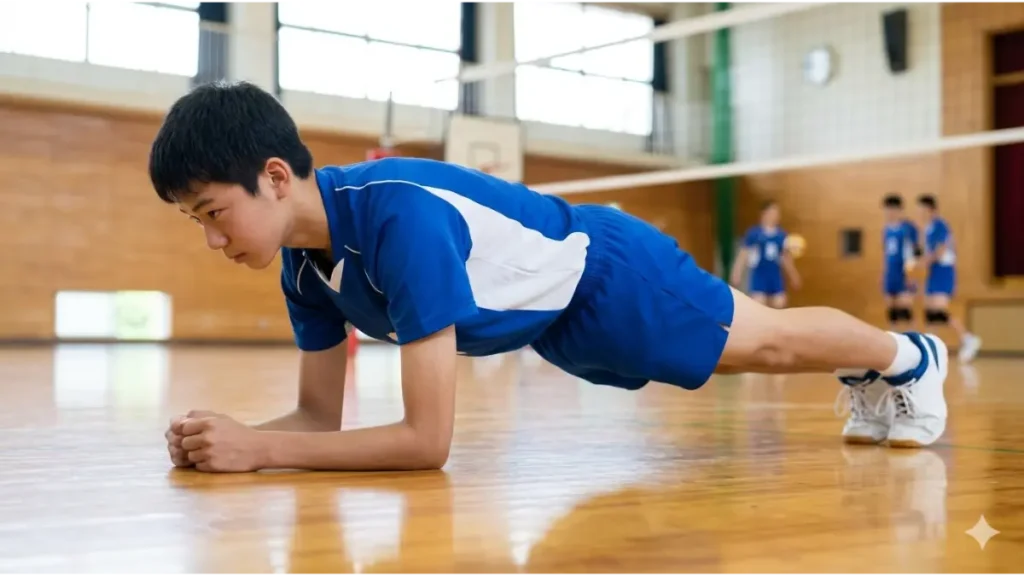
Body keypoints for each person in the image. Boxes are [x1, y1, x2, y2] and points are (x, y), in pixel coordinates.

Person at [151, 81, 949, 474]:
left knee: (765, 346)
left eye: (214, 212)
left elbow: (427, 445)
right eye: (197, 223)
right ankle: (878, 364)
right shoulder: (301, 268)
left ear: (277, 176)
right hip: (555, 322)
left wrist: (261, 452)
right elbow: (317, 419)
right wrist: (241, 437)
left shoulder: (399, 221)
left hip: (606, 271)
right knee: (753, 347)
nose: (213, 239)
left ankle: (907, 357)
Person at [916, 194, 981, 363]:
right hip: (933, 272)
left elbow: (940, 251)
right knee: (930, 312)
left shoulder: (940, 226)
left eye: (923, 210)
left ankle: (967, 337)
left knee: (938, 310)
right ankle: (931, 349)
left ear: (931, 210)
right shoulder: (927, 229)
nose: (920, 213)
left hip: (943, 271)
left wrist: (923, 262)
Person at [730, 201, 801, 309]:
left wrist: (794, 275)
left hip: (775, 275)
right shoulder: (754, 233)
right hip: (759, 275)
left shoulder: (781, 235)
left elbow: (786, 258)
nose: (775, 216)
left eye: (777, 213)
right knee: (758, 304)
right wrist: (736, 272)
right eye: (772, 212)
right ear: (764, 213)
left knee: (779, 304)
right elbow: (743, 255)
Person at [881, 194, 921, 330]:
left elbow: (915, 252)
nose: (889, 213)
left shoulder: (908, 228)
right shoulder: (886, 229)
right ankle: (895, 340)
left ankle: (917, 339)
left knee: (905, 310)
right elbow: (887, 254)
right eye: (886, 210)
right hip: (891, 273)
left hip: (904, 272)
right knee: (892, 311)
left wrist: (910, 273)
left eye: (892, 209)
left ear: (899, 210)